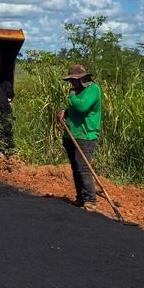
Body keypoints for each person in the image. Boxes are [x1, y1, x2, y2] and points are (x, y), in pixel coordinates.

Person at [58, 64, 101, 207]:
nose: (71, 83)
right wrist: (66, 112)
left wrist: (72, 95)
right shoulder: (76, 92)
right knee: (76, 168)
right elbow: (74, 109)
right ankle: (81, 198)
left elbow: (82, 107)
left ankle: (90, 200)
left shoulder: (92, 89)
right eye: (70, 80)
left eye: (74, 80)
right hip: (70, 134)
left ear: (82, 79)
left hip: (85, 135)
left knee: (83, 168)